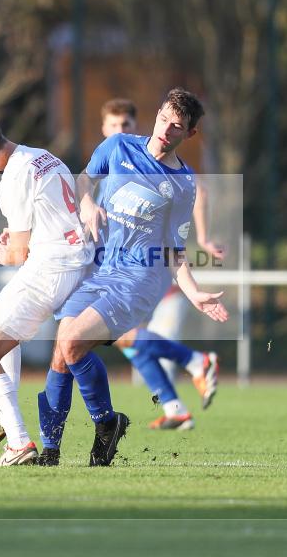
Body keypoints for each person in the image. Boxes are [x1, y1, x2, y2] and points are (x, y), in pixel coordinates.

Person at [37, 88, 230, 466]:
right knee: (61, 352)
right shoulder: (118, 146)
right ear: (156, 115)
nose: (166, 130)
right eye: (163, 119)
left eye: (177, 127)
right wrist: (89, 203)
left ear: (189, 135)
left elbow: (175, 248)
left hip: (138, 278)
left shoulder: (183, 183)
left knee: (74, 342)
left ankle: (106, 424)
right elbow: (83, 182)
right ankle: (51, 449)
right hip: (99, 268)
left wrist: (193, 293)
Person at [0, 112, 94, 466]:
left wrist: (1, 251)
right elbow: (48, 216)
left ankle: (18, 442)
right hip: (74, 263)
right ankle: (4, 414)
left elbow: (18, 254)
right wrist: (18, 240)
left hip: (50, 269)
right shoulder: (42, 156)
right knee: (1, 335)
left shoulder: (11, 180)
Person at [98, 97, 222, 431]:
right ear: (104, 129)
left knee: (116, 335)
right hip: (105, 264)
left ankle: (193, 362)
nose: (120, 131)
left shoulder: (167, 172)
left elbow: (196, 196)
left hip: (141, 269)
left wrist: (204, 237)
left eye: (126, 125)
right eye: (114, 125)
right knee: (127, 340)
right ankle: (175, 405)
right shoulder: (113, 155)